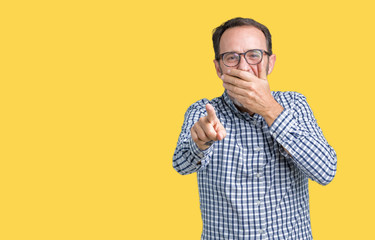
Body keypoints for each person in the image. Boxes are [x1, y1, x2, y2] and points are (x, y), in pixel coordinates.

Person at [172, 17, 337, 239]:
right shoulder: (202, 111)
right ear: (218, 67)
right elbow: (181, 165)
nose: (243, 67)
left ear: (270, 62)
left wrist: (270, 109)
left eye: (254, 55)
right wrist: (200, 143)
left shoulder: (296, 104)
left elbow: (326, 171)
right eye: (231, 57)